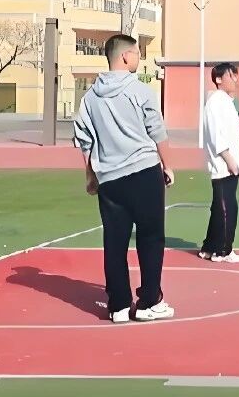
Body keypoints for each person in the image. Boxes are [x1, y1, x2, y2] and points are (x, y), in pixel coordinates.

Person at [73, 34, 173, 322]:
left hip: (110, 179)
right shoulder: (141, 91)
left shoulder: (90, 98)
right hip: (144, 172)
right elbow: (157, 131)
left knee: (114, 242)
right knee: (151, 237)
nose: (139, 58)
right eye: (137, 53)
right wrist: (168, 166)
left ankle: (118, 305)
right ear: (125, 56)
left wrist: (91, 176)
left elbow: (84, 140)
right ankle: (149, 302)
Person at [200, 63, 239, 263]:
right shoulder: (216, 102)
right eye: (231, 75)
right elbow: (216, 135)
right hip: (223, 165)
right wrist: (228, 159)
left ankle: (209, 248)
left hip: (229, 164)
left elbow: (227, 132)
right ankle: (224, 251)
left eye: (235, 76)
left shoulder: (226, 102)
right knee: (228, 209)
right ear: (219, 79)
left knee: (219, 208)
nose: (235, 79)